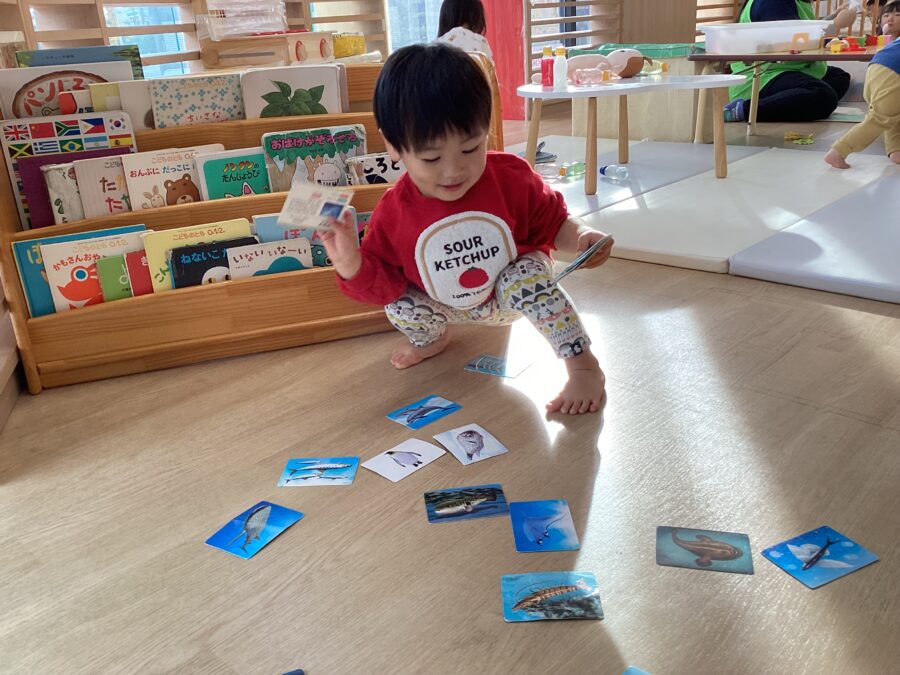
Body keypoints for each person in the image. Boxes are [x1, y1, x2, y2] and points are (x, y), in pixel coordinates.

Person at [320, 43, 613, 415]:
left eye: (471, 148)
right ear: (393, 146)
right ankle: (431, 341)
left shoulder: (510, 177)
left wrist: (582, 237)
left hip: (508, 296)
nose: (453, 170)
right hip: (445, 306)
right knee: (400, 305)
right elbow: (385, 287)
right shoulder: (393, 212)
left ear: (486, 131)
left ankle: (583, 365)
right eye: (431, 157)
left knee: (525, 279)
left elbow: (554, 221)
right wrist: (350, 263)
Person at [724, 1, 857, 123]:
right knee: (825, 96)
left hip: (784, 69)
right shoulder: (775, 3)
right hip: (761, 77)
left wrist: (834, 16)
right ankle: (743, 109)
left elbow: (803, 31)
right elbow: (792, 45)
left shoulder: (793, 3)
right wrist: (835, 25)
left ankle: (792, 102)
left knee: (839, 77)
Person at [824, 3, 900, 168]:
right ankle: (839, 151)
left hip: (878, 68)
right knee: (881, 118)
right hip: (892, 73)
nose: (891, 19)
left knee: (893, 113)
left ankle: (896, 150)